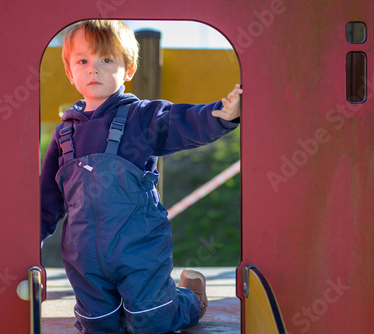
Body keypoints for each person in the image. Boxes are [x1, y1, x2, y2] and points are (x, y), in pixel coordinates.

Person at [41, 20, 242, 333]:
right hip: (84, 257)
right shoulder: (64, 133)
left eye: (106, 60)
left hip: (139, 248)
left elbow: (183, 122)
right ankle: (121, 311)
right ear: (70, 71)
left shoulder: (142, 117)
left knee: (151, 321)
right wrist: (28, 241)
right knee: (99, 327)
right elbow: (47, 198)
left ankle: (188, 298)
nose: (93, 69)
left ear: (129, 68)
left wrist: (221, 114)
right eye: (83, 61)